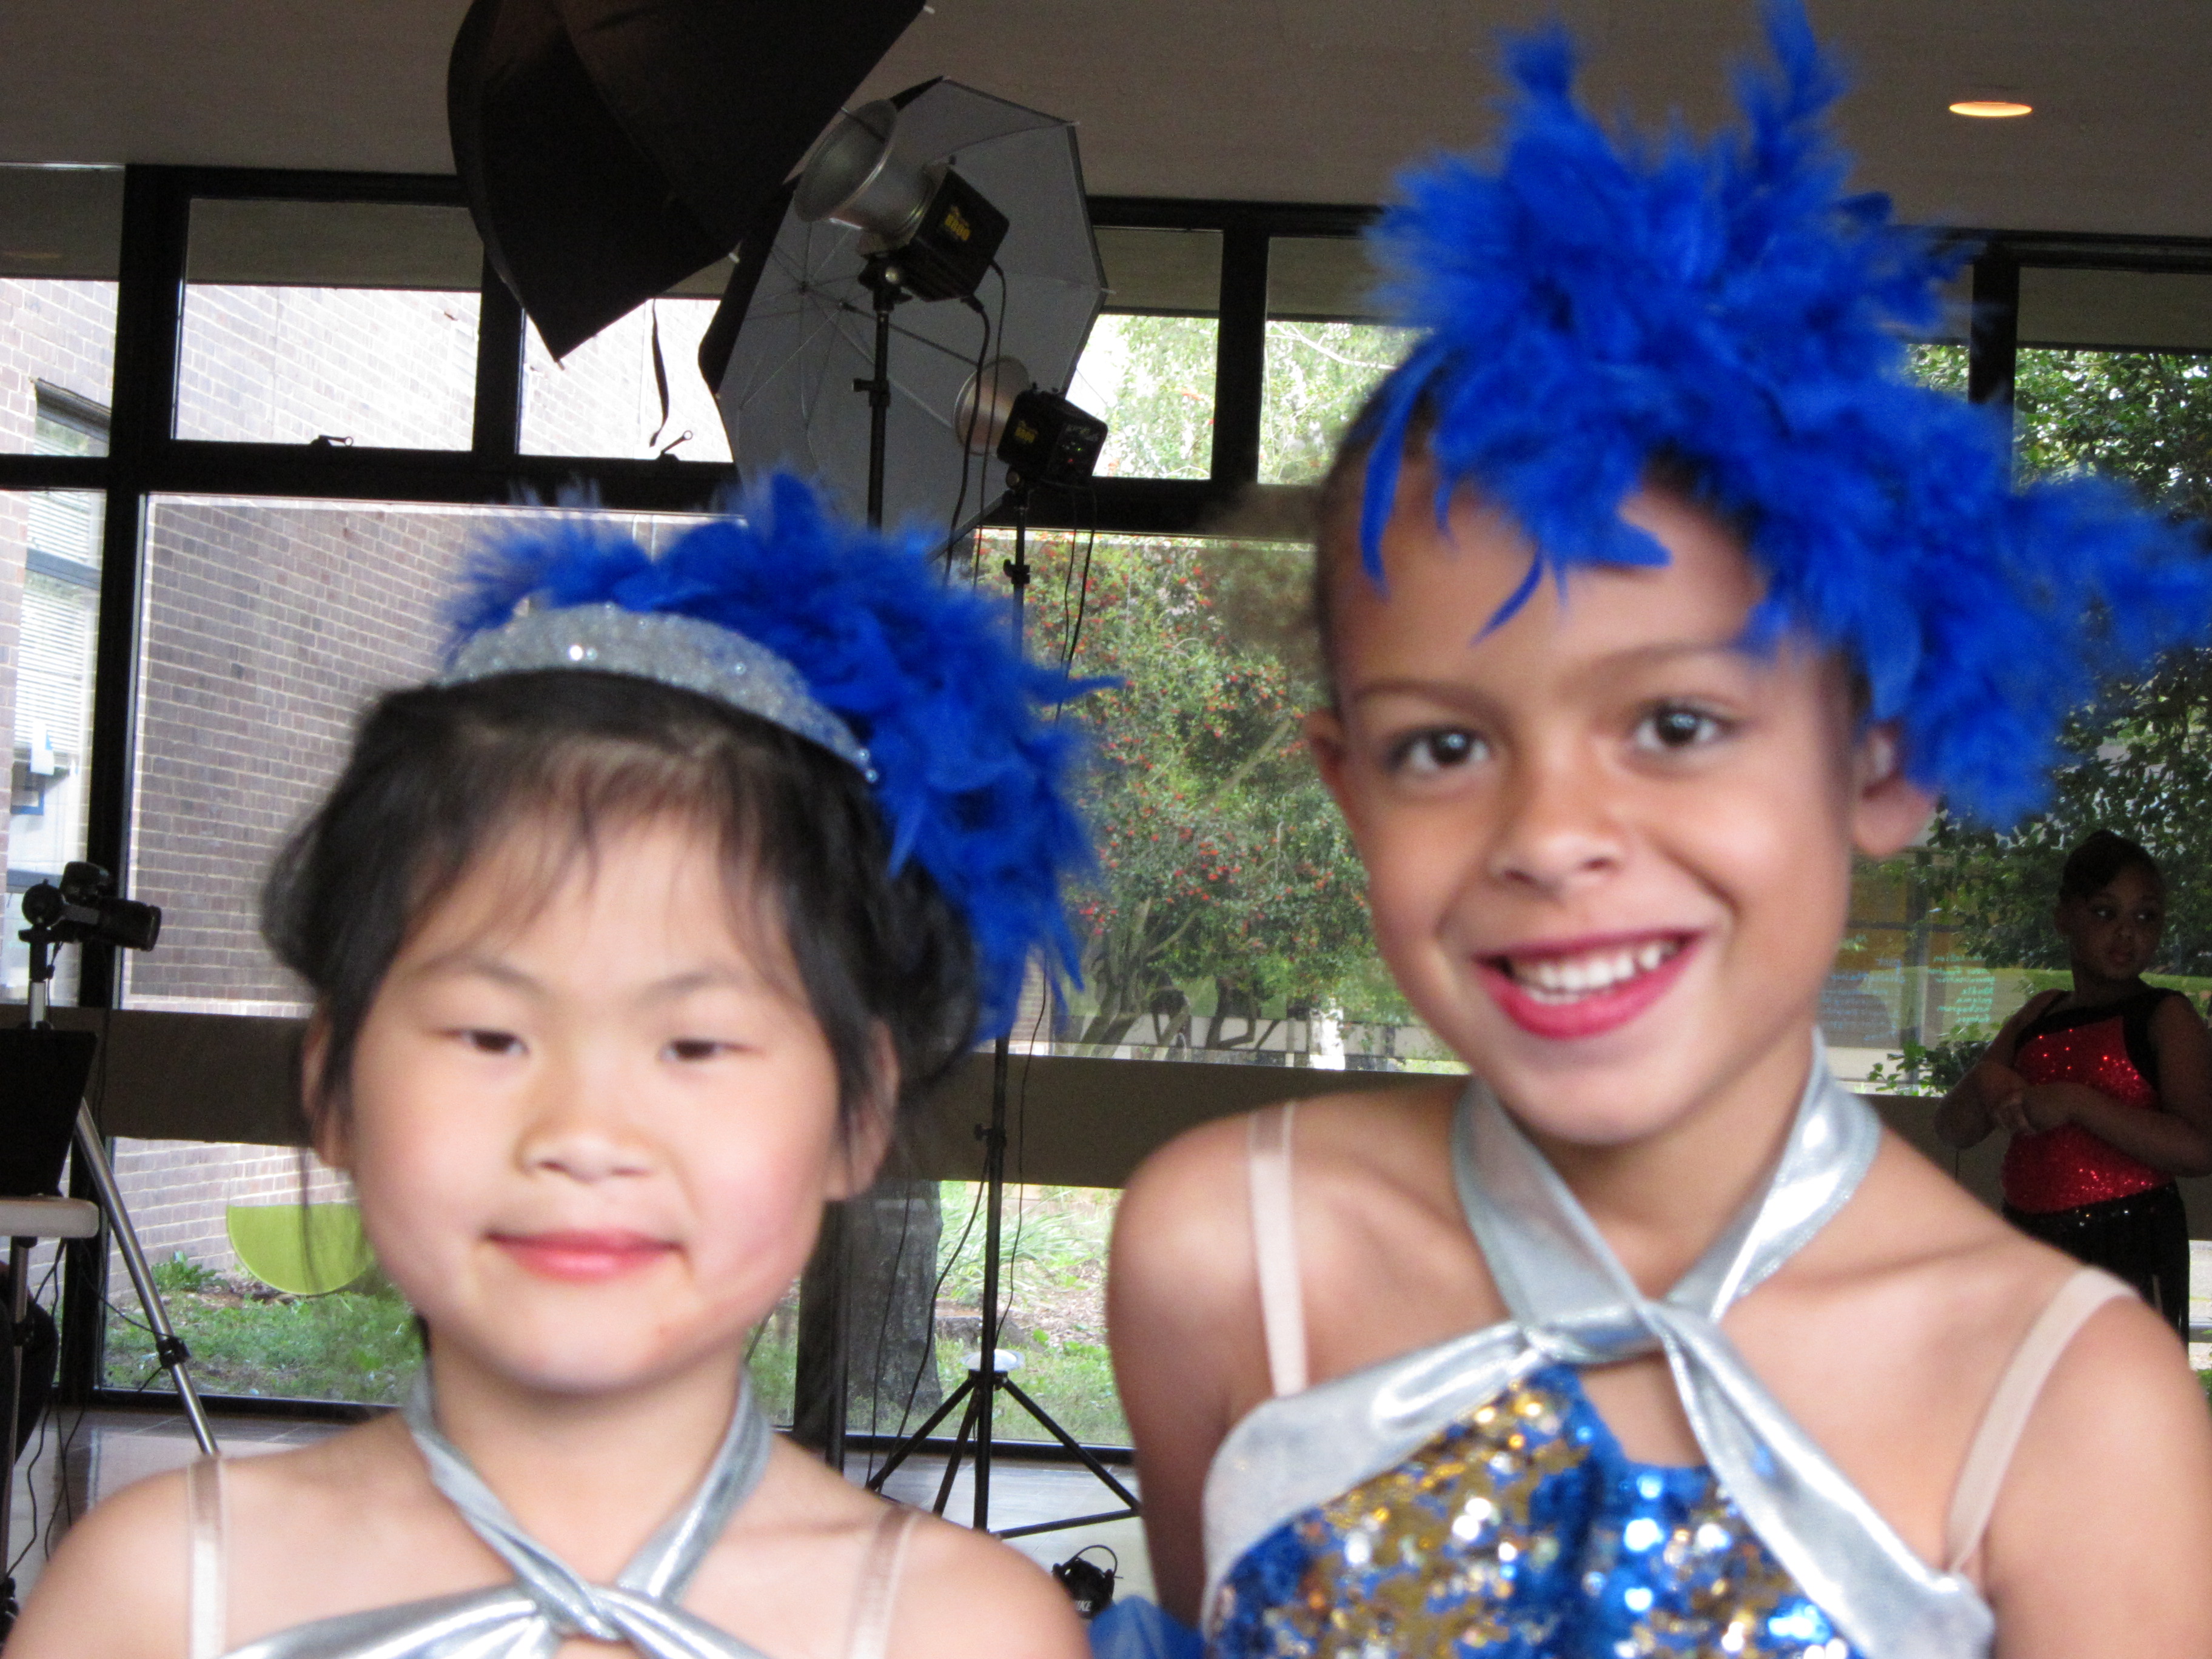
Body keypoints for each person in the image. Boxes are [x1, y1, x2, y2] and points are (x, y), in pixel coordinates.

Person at [1103, 6, 2212, 1657]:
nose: (1553, 835)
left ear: (1886, 758)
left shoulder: (2068, 1402)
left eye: (1678, 724)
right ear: (1347, 784)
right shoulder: (1227, 1258)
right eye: (1444, 745)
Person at [10, 476, 1094, 1659]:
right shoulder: (156, 1596)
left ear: (860, 1110)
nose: (582, 1132)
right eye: (492, 1037)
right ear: (332, 1084)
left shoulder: (964, 1632)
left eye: (695, 1044)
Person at [1937, 830, 2212, 1338]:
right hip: (2030, 1242)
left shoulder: (2166, 1016)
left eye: (2146, 917)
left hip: (2129, 1245)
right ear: (2064, 917)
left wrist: (2079, 1104)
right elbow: (1954, 1130)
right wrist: (1987, 1079)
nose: (2126, 934)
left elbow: (2200, 1149)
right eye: (2106, 913)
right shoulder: (2040, 1013)